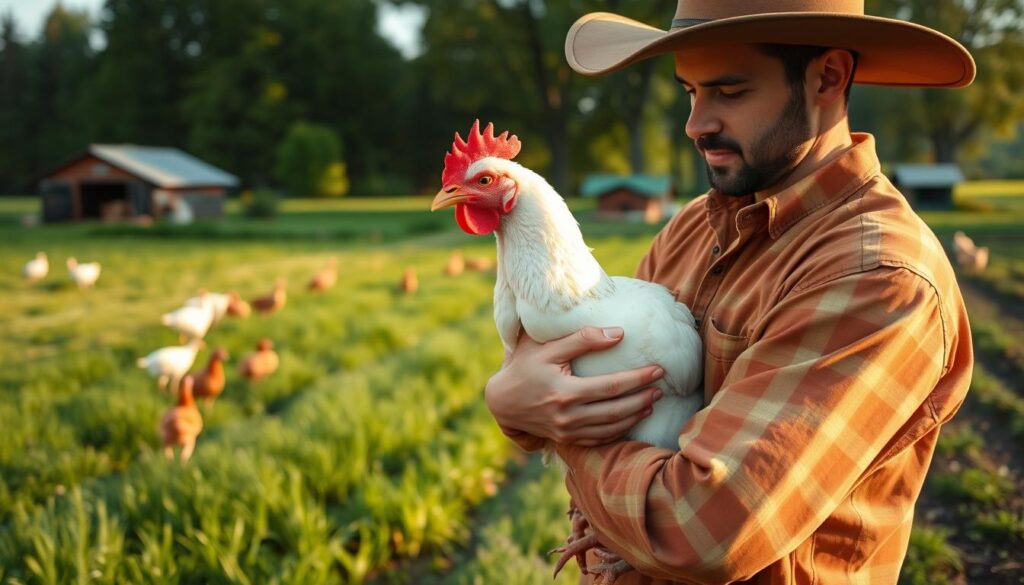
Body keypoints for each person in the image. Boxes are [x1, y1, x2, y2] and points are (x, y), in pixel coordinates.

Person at [483, 1, 976, 583]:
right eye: (691, 92)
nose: (696, 123)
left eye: (729, 91)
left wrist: (549, 427)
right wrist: (520, 408)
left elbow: (701, 531)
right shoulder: (694, 226)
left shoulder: (878, 275)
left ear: (829, 77)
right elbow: (577, 389)